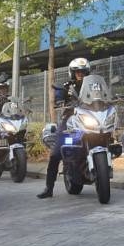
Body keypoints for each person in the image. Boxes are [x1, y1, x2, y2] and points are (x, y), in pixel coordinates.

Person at [37, 57, 90, 199]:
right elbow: (59, 94)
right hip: (71, 120)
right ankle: (49, 188)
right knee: (56, 153)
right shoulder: (67, 87)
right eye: (77, 72)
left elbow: (103, 95)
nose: (80, 74)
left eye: (83, 71)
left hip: (89, 119)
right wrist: (59, 99)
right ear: (72, 73)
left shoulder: (92, 86)